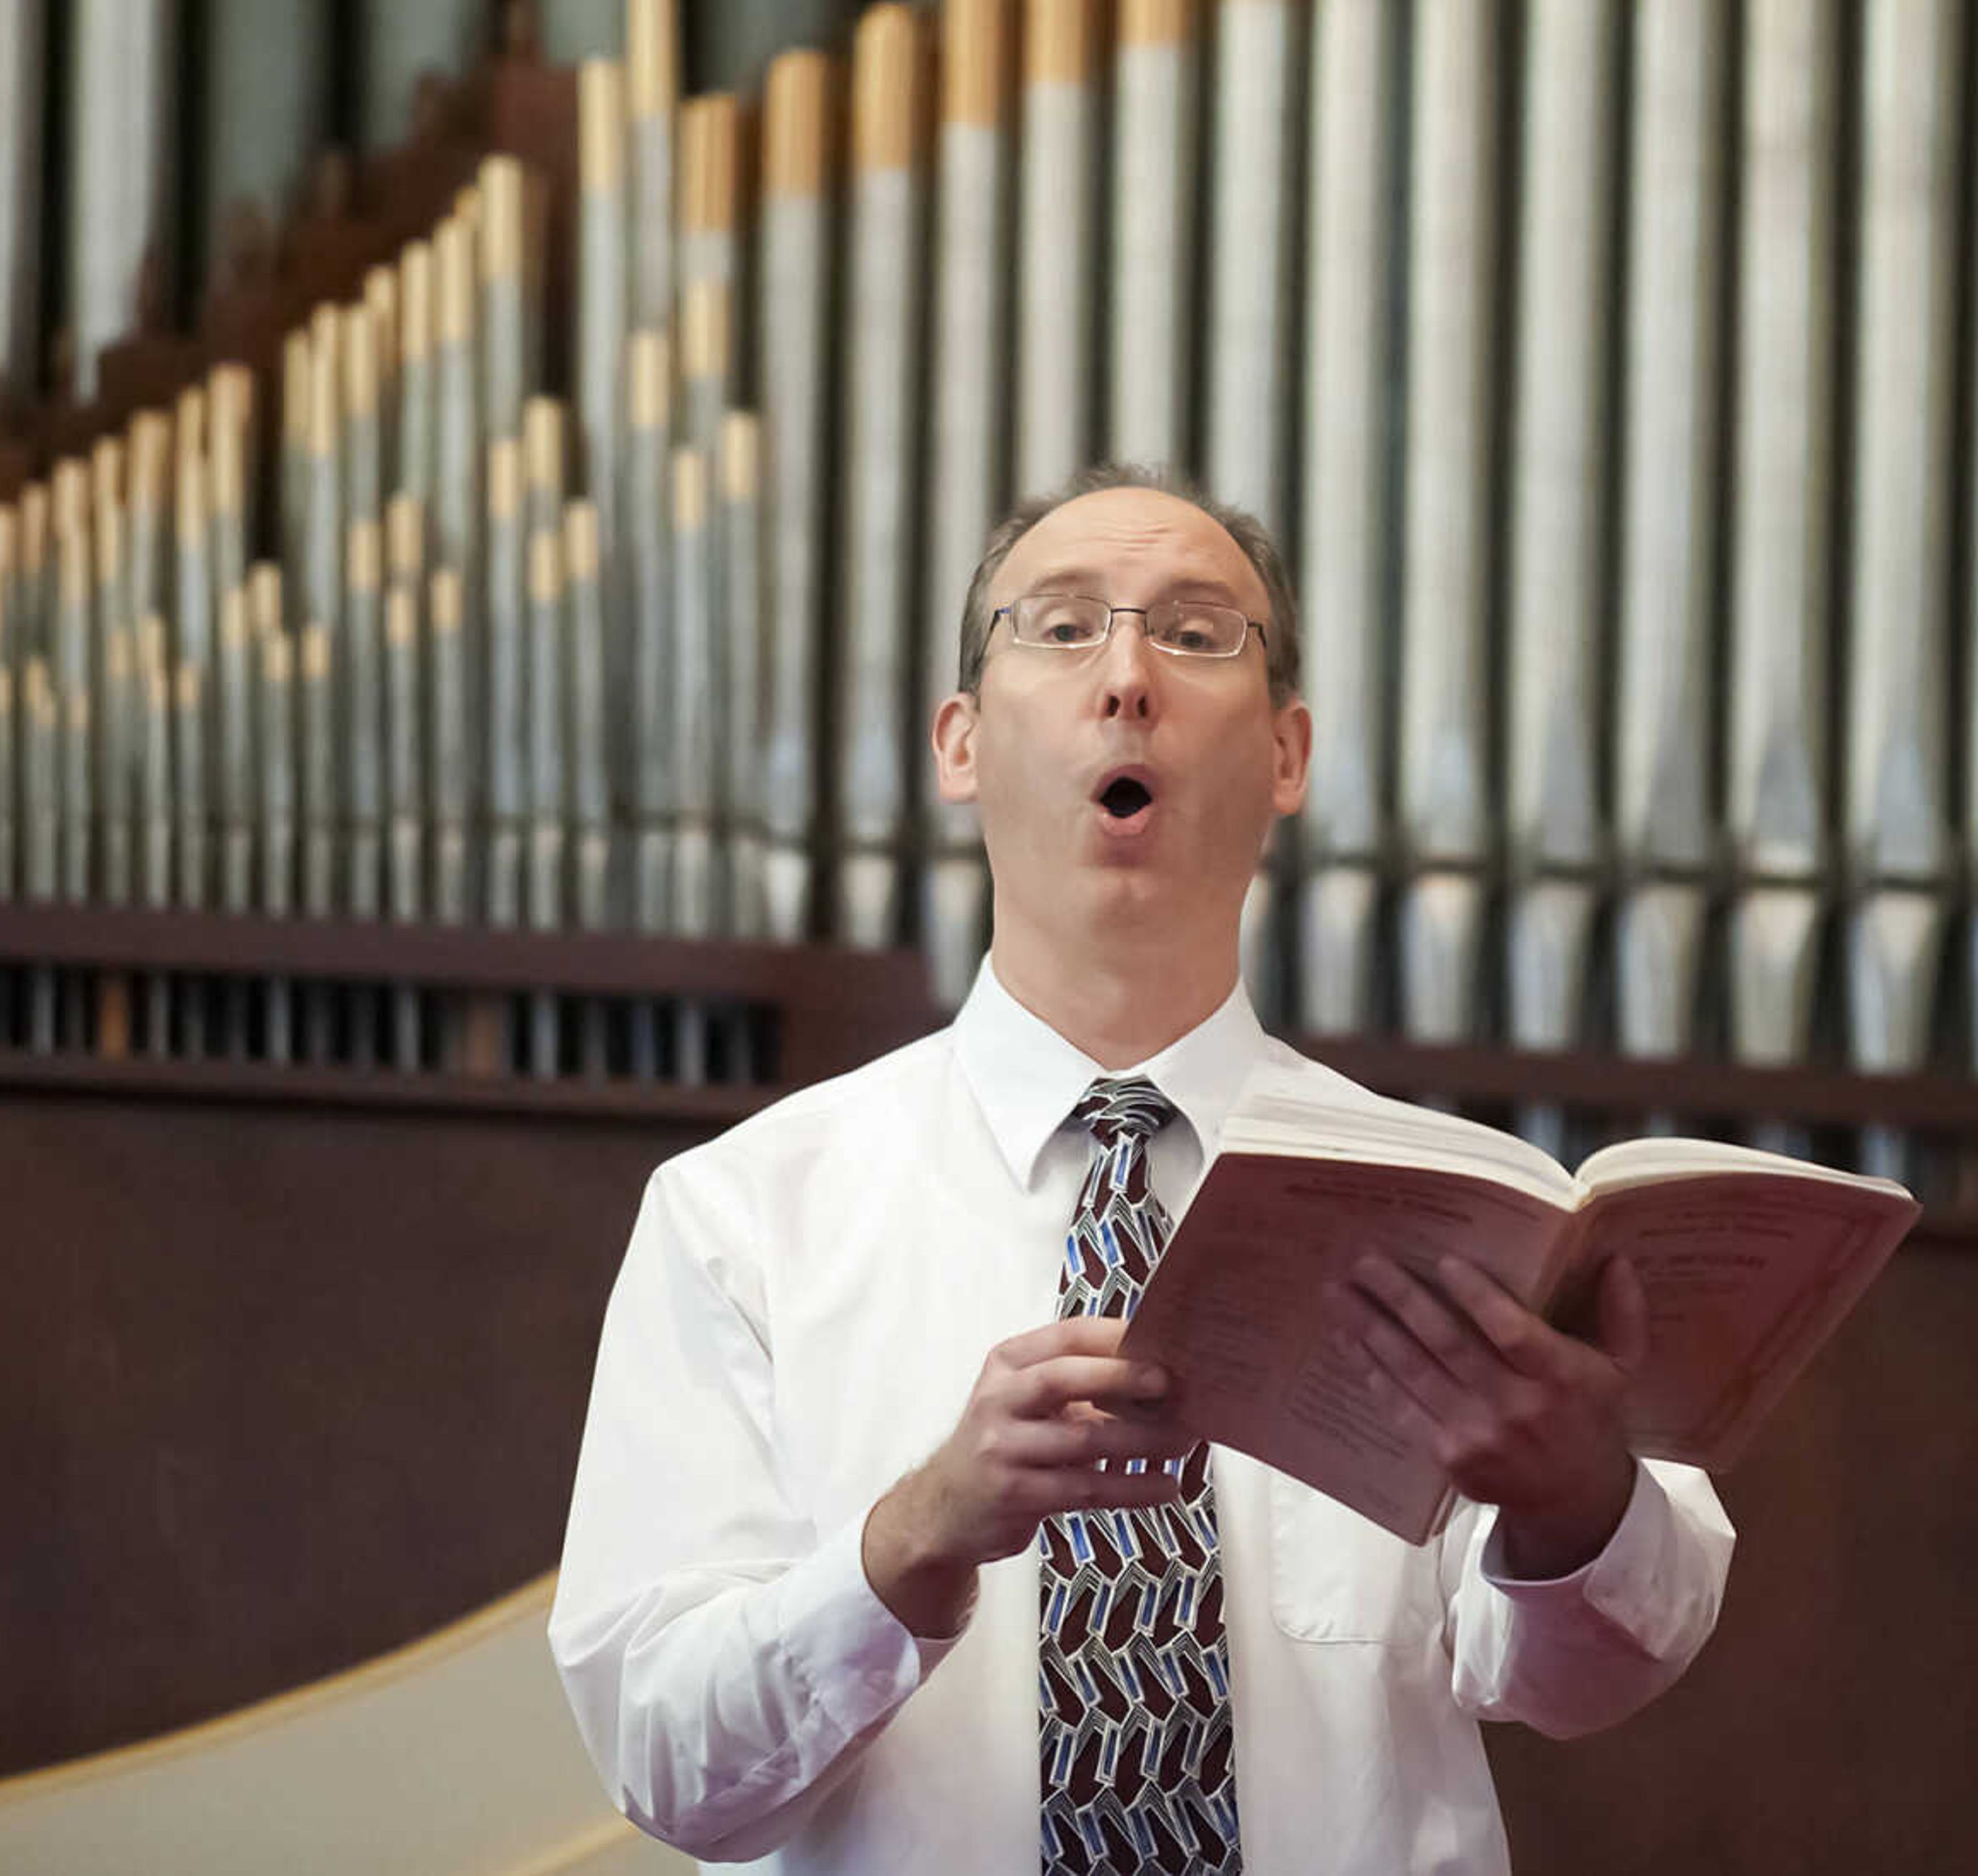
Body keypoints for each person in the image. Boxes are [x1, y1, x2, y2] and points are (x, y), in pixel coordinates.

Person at [548, 466, 1735, 1876]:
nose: (1125, 677)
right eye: (1058, 629)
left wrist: (1573, 1502)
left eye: (1194, 631)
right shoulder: (748, 1215)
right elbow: (664, 1757)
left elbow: (1584, 1671)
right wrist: (915, 1536)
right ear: (962, 741)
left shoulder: (1457, 1205)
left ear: (1287, 756)